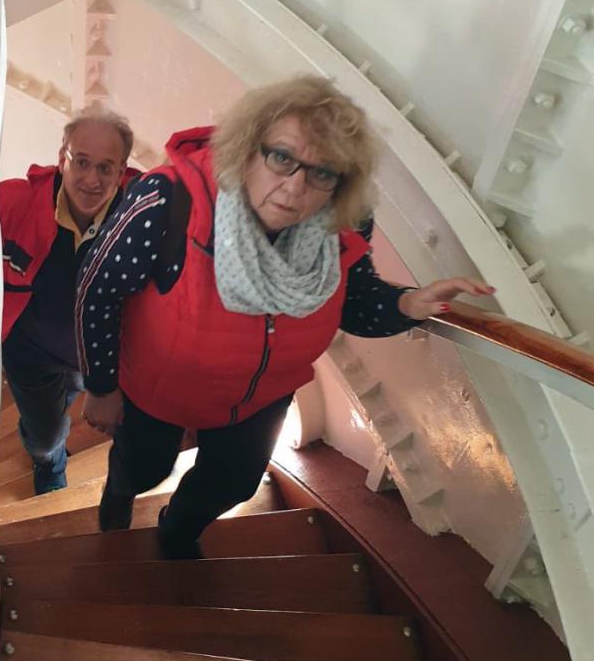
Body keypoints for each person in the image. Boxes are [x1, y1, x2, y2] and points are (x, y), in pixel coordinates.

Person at [76, 75, 494, 557]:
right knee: (143, 468)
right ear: (247, 149)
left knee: (234, 483)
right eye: (281, 157)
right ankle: (118, 496)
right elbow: (97, 288)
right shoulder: (170, 201)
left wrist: (406, 306)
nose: (295, 187)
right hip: (157, 391)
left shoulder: (343, 223)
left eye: (322, 173)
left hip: (259, 398)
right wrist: (101, 387)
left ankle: (177, 531)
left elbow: (353, 301)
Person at [0, 107, 136, 493]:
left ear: (121, 171)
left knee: (70, 394)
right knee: (46, 432)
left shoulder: (139, 221)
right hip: (30, 354)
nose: (91, 179)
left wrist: (108, 383)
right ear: (62, 158)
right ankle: (49, 459)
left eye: (105, 168)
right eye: (82, 161)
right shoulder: (13, 204)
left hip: (91, 356)